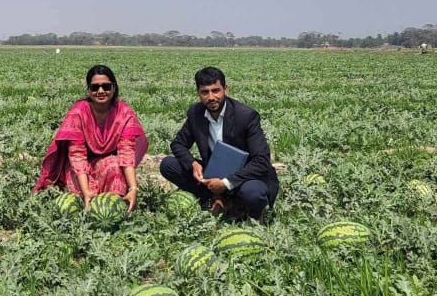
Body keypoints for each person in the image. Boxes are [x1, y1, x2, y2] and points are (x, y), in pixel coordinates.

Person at [160, 66, 278, 222]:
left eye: (215, 91)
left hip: (245, 177)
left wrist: (226, 183)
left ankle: (243, 210)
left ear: (225, 89)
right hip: (214, 173)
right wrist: (193, 164)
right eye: (205, 92)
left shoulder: (246, 116)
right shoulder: (196, 113)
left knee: (253, 193)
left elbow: (262, 160)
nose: (211, 97)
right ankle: (215, 199)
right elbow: (178, 144)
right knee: (168, 165)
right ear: (198, 93)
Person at [34, 65, 148, 211]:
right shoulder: (79, 112)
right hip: (79, 168)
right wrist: (86, 191)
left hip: (107, 163)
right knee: (80, 198)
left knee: (113, 165)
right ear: (88, 90)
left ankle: (113, 208)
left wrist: (133, 188)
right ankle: (88, 203)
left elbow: (126, 153)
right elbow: (77, 156)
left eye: (106, 86)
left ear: (114, 88)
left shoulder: (124, 112)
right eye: (95, 87)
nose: (100, 91)